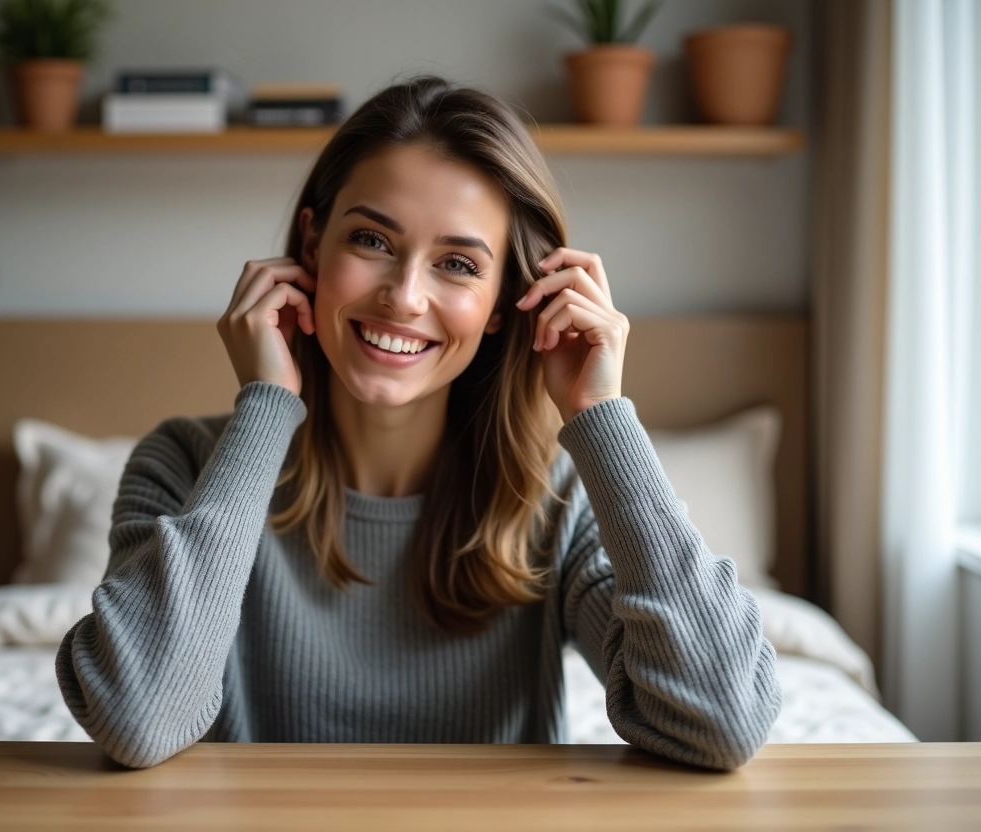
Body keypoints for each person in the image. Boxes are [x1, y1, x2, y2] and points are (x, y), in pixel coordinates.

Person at [55, 74, 782, 771]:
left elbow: (722, 723)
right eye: (371, 241)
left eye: (459, 265)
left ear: (505, 303)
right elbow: (138, 717)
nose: (403, 297)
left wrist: (602, 420)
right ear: (313, 244)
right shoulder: (182, 464)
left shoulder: (559, 502)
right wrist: (268, 404)